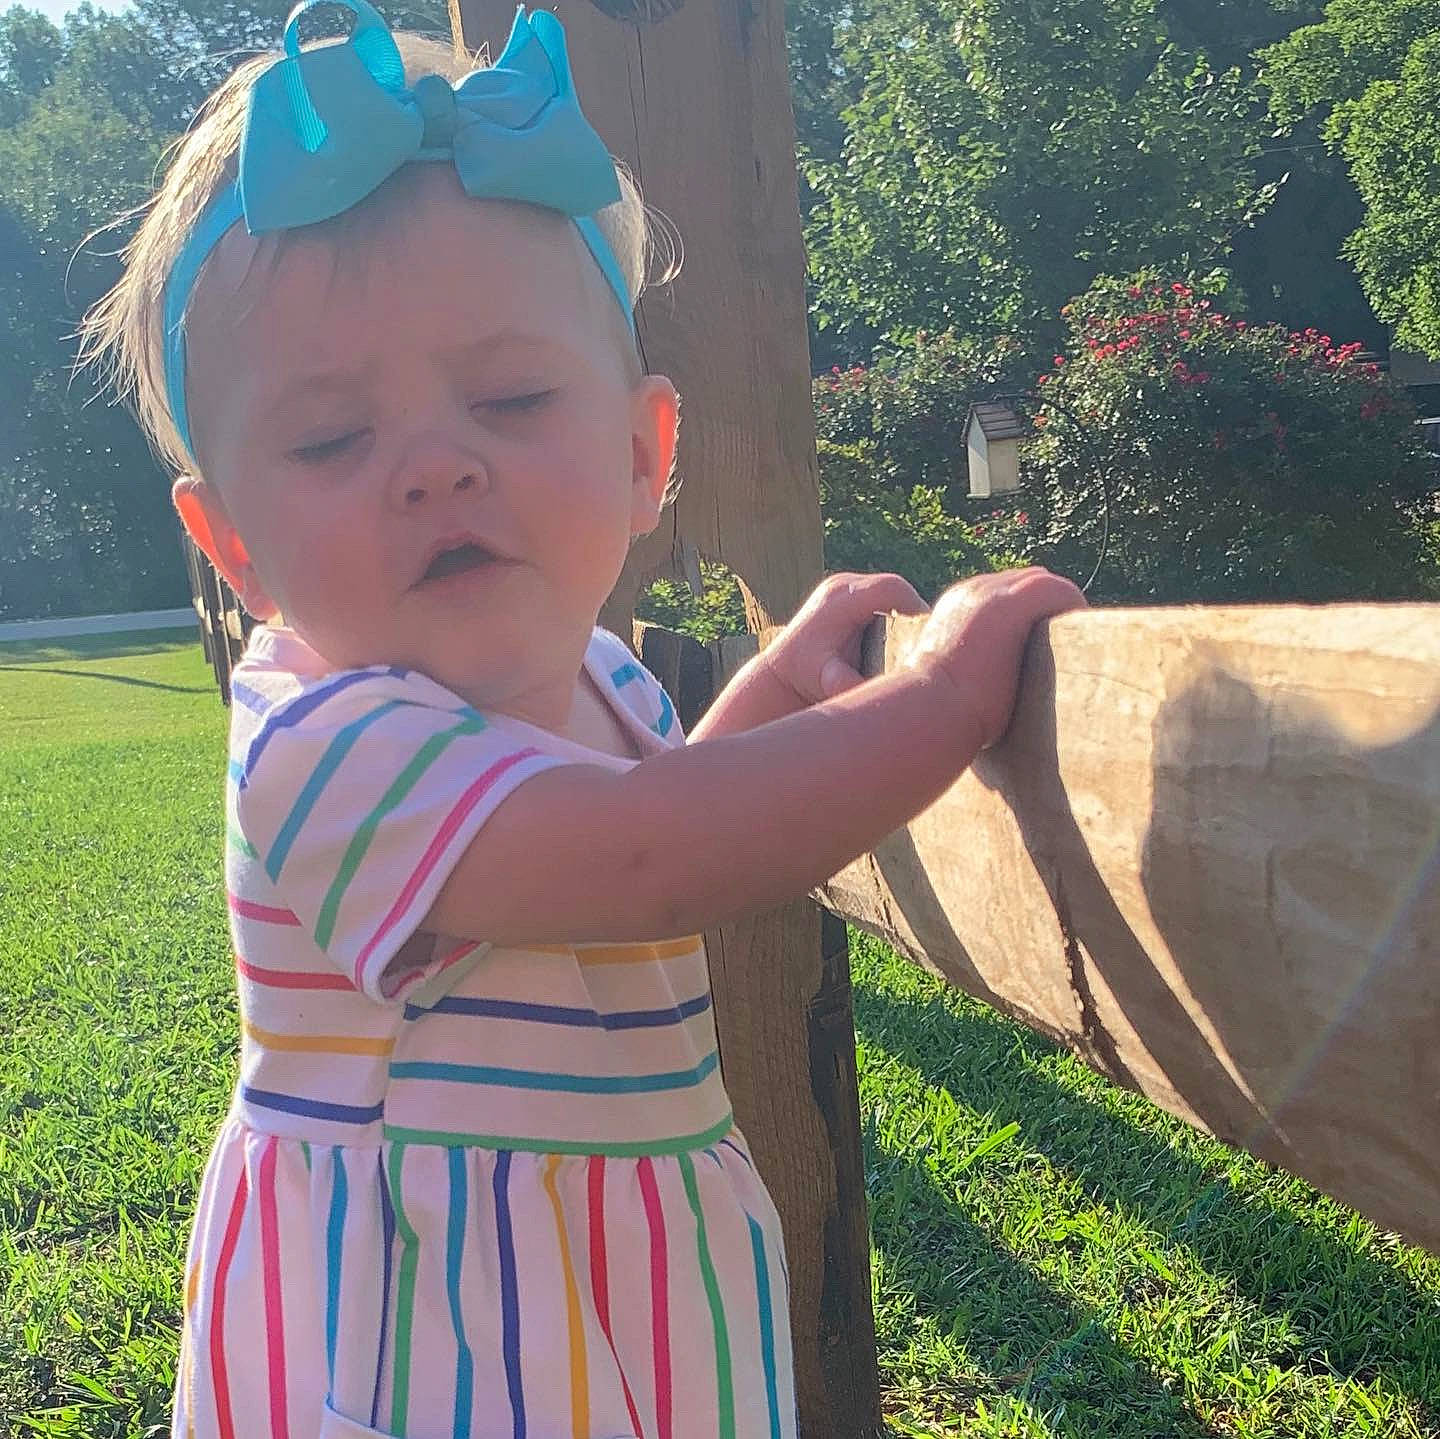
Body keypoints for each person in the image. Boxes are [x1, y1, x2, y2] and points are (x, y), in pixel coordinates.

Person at [83, 3, 1085, 1435]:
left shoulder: (598, 686)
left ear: (640, 453)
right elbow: (639, 859)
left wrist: (782, 696)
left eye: (506, 397)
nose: (434, 466)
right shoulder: (322, 746)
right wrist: (939, 703)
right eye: (329, 439)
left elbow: (653, 830)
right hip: (425, 1335)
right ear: (233, 543)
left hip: (608, 1284)